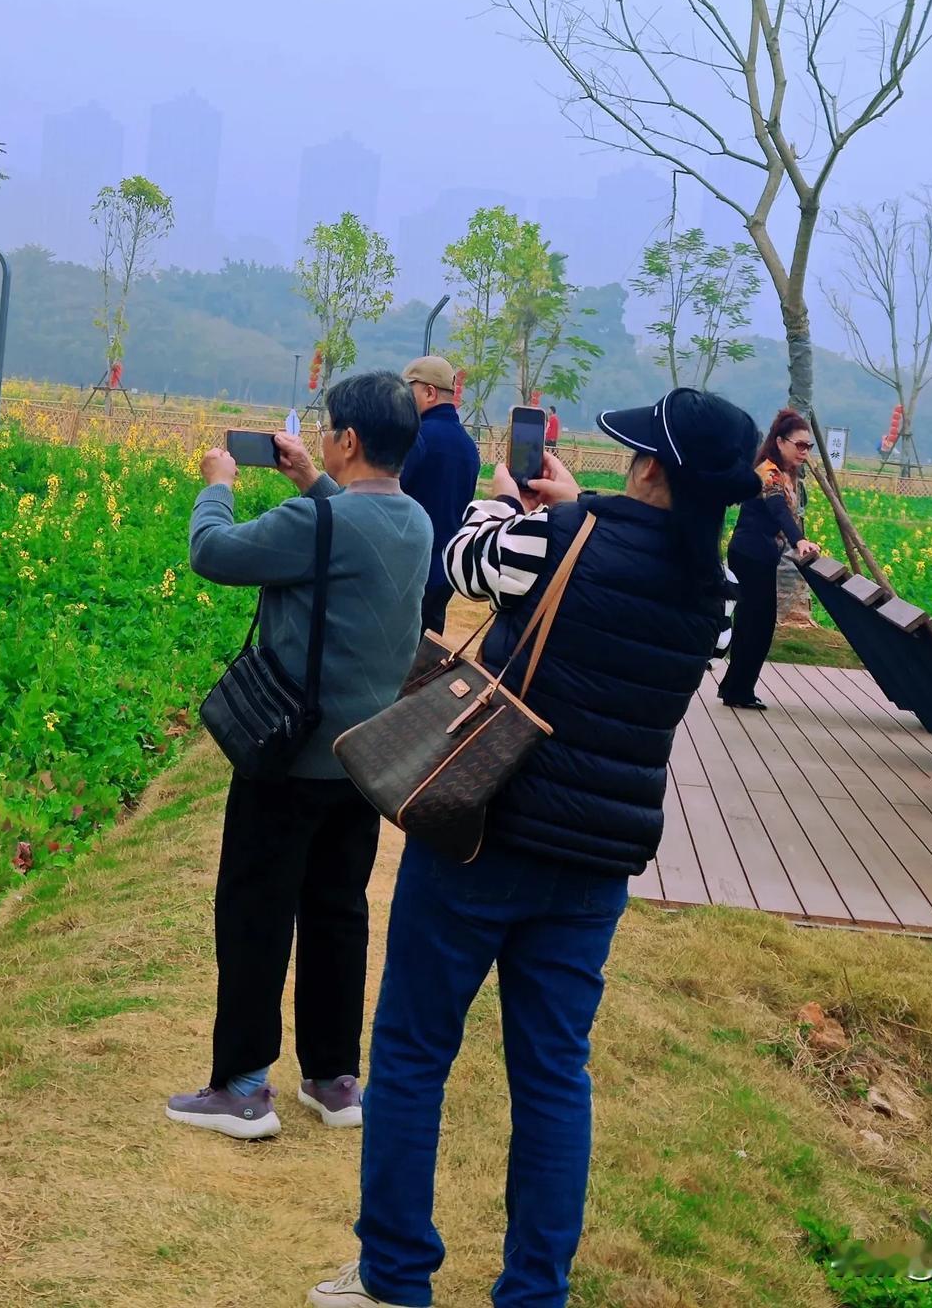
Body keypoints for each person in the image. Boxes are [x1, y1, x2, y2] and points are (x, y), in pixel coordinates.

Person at [309, 387, 761, 1308]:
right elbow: (627, 588)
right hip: (596, 863)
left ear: (652, 469)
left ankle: (394, 1276)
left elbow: (463, 558)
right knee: (555, 1075)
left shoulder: (556, 540)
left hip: (487, 831)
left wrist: (511, 499)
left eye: (637, 454)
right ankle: (533, 1293)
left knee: (411, 1052)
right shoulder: (717, 592)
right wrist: (575, 519)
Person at [166, 371, 431, 1142]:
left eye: (327, 429)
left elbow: (213, 553)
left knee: (254, 914)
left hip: (286, 760)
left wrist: (218, 483)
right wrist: (318, 484)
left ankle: (244, 1089)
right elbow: (350, 533)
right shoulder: (415, 521)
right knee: (337, 914)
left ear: (347, 440)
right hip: (364, 761)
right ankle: (335, 1078)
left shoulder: (310, 523)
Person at [716, 407, 820, 713]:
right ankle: (738, 689)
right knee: (756, 624)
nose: (805, 451)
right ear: (780, 441)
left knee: (755, 624)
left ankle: (735, 687)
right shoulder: (769, 472)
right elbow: (776, 509)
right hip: (750, 555)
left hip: (760, 556)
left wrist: (801, 540)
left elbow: (785, 516)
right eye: (800, 445)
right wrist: (798, 540)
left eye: (809, 446)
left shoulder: (787, 474)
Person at [399, 356, 481, 639]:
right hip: (445, 570)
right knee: (428, 655)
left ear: (429, 392)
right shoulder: (469, 446)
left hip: (407, 568)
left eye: (408, 392)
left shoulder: (416, 438)